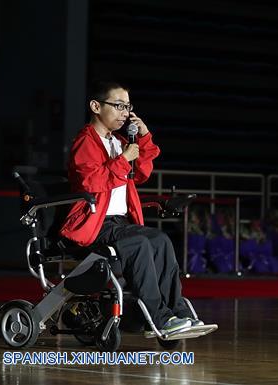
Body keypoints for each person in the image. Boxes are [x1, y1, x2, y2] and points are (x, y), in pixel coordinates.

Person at [59, 81, 201, 336]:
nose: (125, 113)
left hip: (118, 223)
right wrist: (124, 159)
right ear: (96, 106)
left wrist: (143, 139)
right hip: (96, 223)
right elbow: (91, 182)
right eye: (118, 105)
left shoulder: (118, 142)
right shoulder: (85, 142)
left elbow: (141, 174)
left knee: (160, 240)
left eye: (127, 107)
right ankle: (159, 317)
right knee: (139, 244)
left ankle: (177, 311)